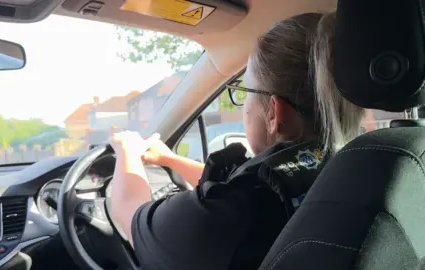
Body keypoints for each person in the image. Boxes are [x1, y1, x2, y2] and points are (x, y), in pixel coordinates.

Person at [109, 12, 365, 270]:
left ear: (273, 113)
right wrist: (169, 159)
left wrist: (126, 149)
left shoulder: (241, 215)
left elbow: (129, 211)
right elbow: (243, 188)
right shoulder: (355, 168)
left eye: (245, 92)